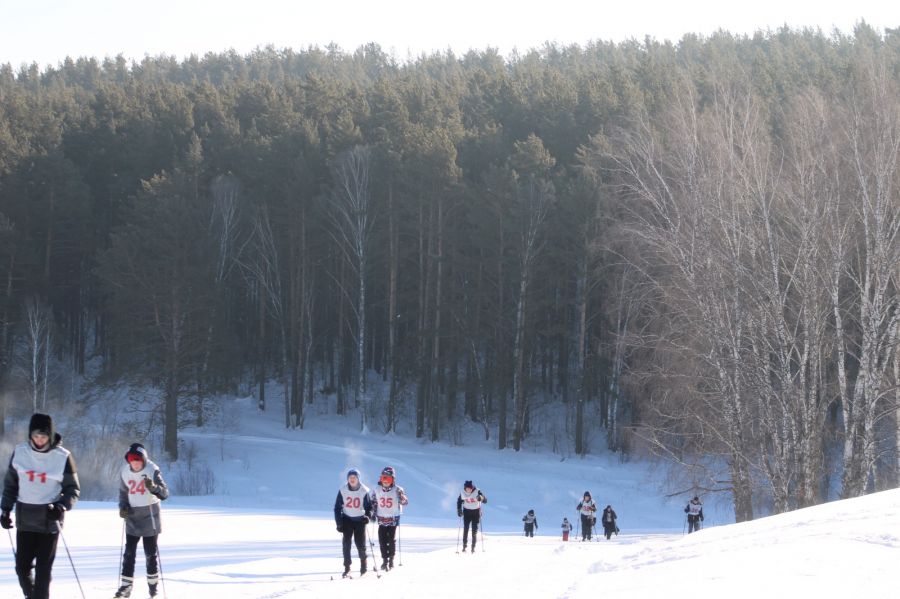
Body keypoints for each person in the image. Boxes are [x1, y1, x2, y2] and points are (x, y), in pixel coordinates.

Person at [1, 413, 80, 599]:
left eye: (43, 436)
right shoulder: (20, 452)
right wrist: (5, 509)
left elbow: (73, 489)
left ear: (50, 436)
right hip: (25, 520)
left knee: (43, 572)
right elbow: (11, 485)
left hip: (49, 520)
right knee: (22, 569)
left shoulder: (63, 457)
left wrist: (62, 506)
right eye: (35, 436)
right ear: (30, 435)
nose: (39, 440)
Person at [115, 443, 169, 598]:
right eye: (132, 459)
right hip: (132, 516)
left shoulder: (152, 470)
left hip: (150, 516)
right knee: (129, 553)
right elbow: (123, 493)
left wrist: (154, 488)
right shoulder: (125, 472)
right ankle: (126, 587)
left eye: (138, 459)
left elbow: (165, 494)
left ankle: (153, 588)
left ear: (143, 459)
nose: (135, 462)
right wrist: (123, 506)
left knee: (150, 554)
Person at [334, 468, 373, 577]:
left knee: (360, 544)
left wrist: (368, 516)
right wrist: (339, 523)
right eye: (350, 477)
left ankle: (363, 566)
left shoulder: (364, 491)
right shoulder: (343, 490)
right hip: (347, 519)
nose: (352, 479)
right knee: (346, 544)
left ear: (358, 479)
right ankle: (347, 567)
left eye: (354, 477)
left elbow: (369, 507)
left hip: (359, 520)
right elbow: (337, 508)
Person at [371, 466, 407, 571]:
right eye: (384, 478)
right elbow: (373, 502)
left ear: (393, 479)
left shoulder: (398, 489)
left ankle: (391, 559)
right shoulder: (376, 489)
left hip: (393, 518)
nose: (386, 481)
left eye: (388, 478)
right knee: (382, 540)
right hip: (381, 518)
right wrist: (372, 513)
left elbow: (405, 502)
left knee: (391, 540)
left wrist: (401, 497)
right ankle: (384, 560)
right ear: (381, 478)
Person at [456, 480, 487, 553]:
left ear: (472, 488)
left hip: (476, 513)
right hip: (467, 512)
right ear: (465, 488)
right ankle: (464, 547)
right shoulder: (462, 493)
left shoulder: (477, 491)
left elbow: (485, 500)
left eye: (470, 488)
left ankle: (473, 548)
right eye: (467, 488)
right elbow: (459, 501)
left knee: (474, 531)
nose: (469, 490)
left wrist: (481, 498)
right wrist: (459, 510)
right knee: (466, 529)